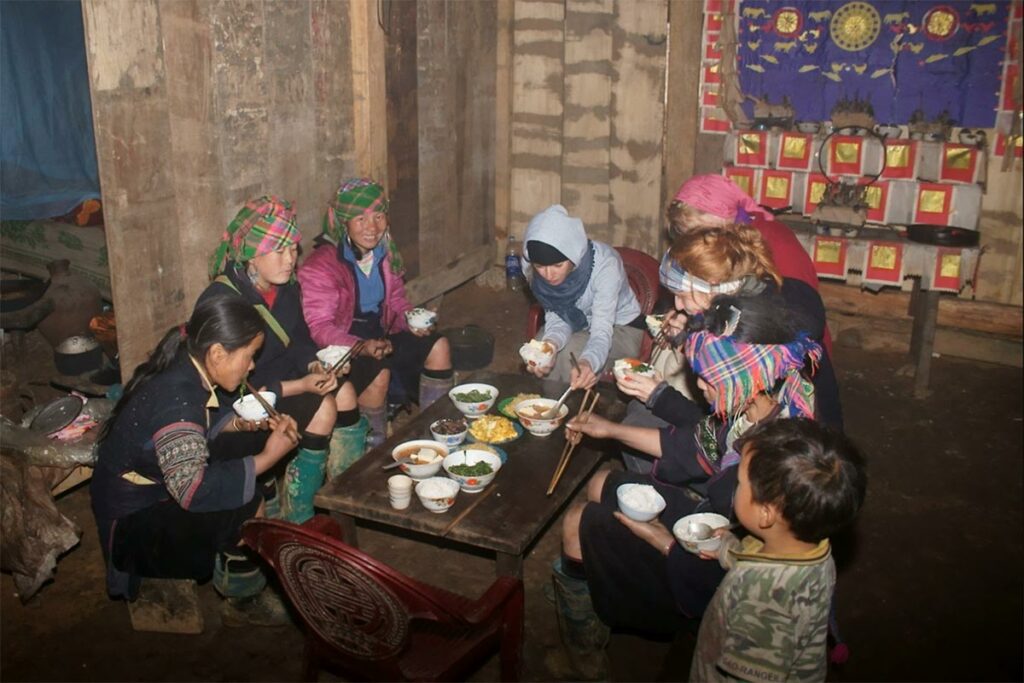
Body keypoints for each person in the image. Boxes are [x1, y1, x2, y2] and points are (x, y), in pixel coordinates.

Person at [548, 294, 822, 680]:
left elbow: (742, 566)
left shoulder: (778, 466)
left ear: (748, 377)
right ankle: (589, 604)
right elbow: (694, 447)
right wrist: (608, 430)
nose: (700, 384)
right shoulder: (760, 407)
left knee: (578, 522)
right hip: (706, 531)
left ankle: (585, 654)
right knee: (600, 482)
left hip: (704, 579)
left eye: (710, 378)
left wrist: (663, 541)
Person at [91, 295, 299, 625]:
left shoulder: (187, 365)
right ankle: (242, 599)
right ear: (217, 353)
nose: (252, 367)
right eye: (249, 356)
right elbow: (192, 490)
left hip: (153, 485)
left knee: (242, 444)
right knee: (247, 506)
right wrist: (268, 456)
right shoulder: (179, 400)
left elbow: (196, 431)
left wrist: (240, 424)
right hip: (132, 520)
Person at [617, 225, 842, 475]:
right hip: (743, 430)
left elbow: (720, 432)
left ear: (713, 286)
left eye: (681, 295)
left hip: (782, 460)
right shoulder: (740, 307)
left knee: (640, 424)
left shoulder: (750, 340)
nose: (677, 305)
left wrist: (659, 394)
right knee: (640, 411)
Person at [201, 195, 366, 524]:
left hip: (285, 378)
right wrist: (298, 384)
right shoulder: (224, 300)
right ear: (251, 255)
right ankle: (300, 514)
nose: (290, 259)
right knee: (325, 407)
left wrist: (313, 365)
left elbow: (300, 339)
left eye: (293, 248)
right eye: (279, 251)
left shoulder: (286, 287)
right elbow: (234, 383)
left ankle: (341, 497)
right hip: (244, 398)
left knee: (344, 391)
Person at [686, 418, 867, 681]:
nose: (736, 488)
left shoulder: (763, 606)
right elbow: (768, 566)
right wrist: (727, 548)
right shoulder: (813, 549)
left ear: (766, 514)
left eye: (741, 483)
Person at [298, 178, 453, 448]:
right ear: (343, 221)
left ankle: (436, 435)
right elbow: (320, 328)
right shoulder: (321, 266)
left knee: (438, 346)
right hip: (343, 343)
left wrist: (409, 321)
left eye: (379, 216)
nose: (372, 228)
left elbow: (394, 300)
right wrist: (360, 347)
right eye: (360, 219)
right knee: (377, 373)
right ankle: (373, 449)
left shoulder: (384, 252)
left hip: (382, 334)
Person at [669, 174, 832, 357]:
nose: (694, 242)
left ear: (725, 216)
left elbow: (798, 315)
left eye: (700, 232)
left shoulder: (777, 244)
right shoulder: (719, 243)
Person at [521, 204, 643, 389]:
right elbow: (558, 315)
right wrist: (550, 345)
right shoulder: (531, 267)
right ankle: (544, 411)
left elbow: (601, 331)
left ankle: (568, 414)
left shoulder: (605, 267)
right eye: (540, 266)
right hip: (578, 323)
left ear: (573, 255)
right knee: (540, 349)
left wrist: (589, 363)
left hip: (620, 328)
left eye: (557, 265)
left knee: (573, 354)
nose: (548, 274)